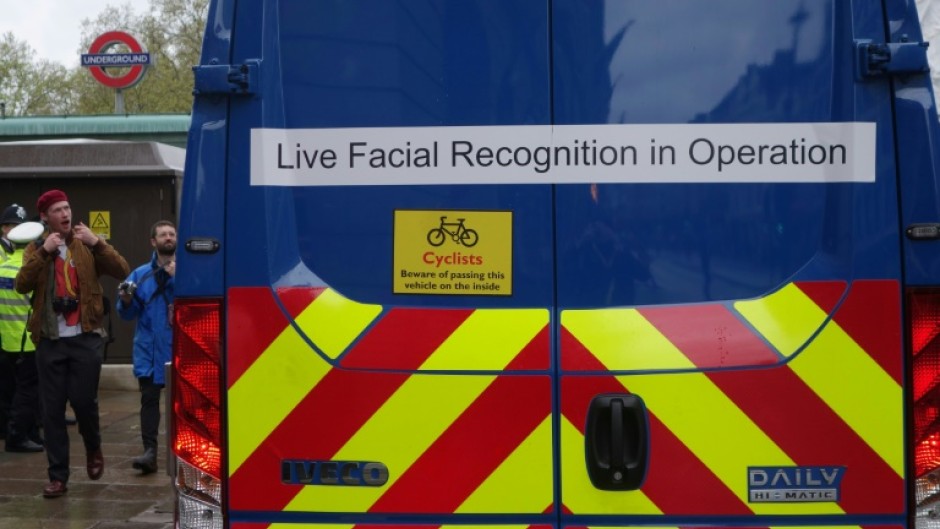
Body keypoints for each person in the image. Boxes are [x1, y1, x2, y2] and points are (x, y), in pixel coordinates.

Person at [15, 189, 129, 499]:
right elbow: (21, 284)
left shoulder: (86, 245)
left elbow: (122, 270)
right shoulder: (37, 249)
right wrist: (43, 253)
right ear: (45, 218)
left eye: (67, 208)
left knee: (83, 403)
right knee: (51, 412)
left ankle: (93, 447)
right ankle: (58, 477)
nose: (65, 214)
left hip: (85, 338)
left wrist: (98, 242)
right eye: (57, 210)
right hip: (50, 342)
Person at [117, 220, 176, 475]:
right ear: (153, 241)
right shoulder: (140, 275)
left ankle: (188, 454)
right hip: (149, 352)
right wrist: (127, 299)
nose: (168, 237)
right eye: (162, 234)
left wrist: (180, 278)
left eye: (171, 234)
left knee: (184, 407)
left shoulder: (189, 271)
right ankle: (150, 452)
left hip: (178, 350)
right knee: (149, 402)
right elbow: (127, 315)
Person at [0, 204, 43, 453]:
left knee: (12, 390)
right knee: (27, 392)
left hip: (7, 339)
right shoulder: (31, 271)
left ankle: (26, 433)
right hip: (29, 340)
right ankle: (18, 435)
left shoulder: (3, 267)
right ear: (30, 245)